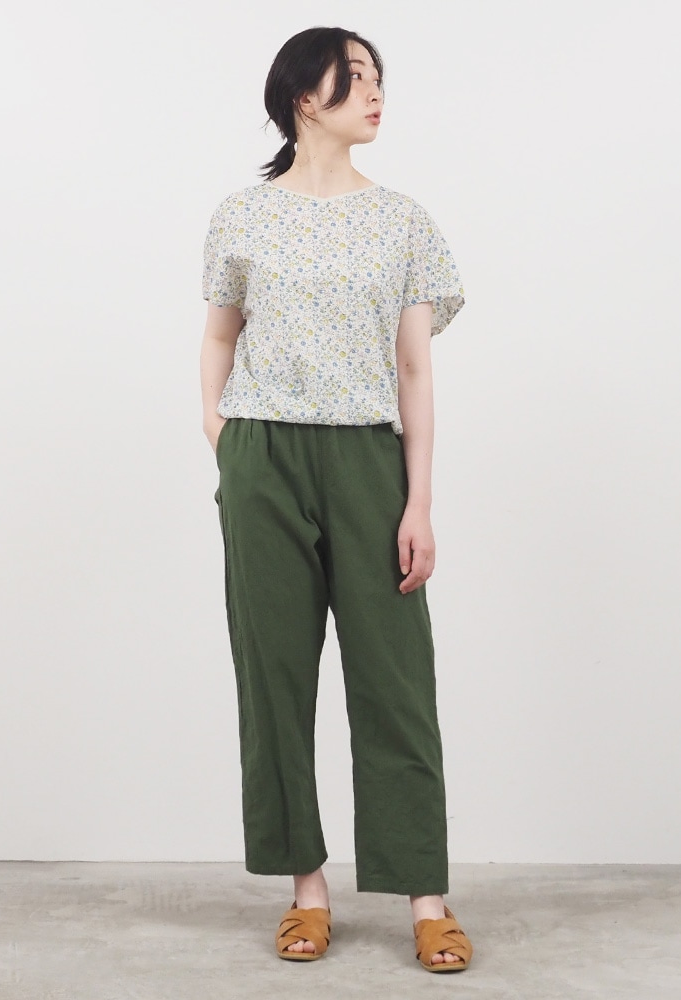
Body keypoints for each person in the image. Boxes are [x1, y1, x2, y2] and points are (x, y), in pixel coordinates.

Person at [199, 26, 473, 972]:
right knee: (273, 677)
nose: (375, 91)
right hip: (264, 458)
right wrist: (224, 439)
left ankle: (426, 896)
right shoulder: (241, 217)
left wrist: (418, 501)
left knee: (396, 682)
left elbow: (414, 368)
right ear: (302, 98)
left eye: (378, 76)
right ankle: (305, 891)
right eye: (354, 76)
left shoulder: (402, 222)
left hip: (366, 459)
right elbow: (220, 336)